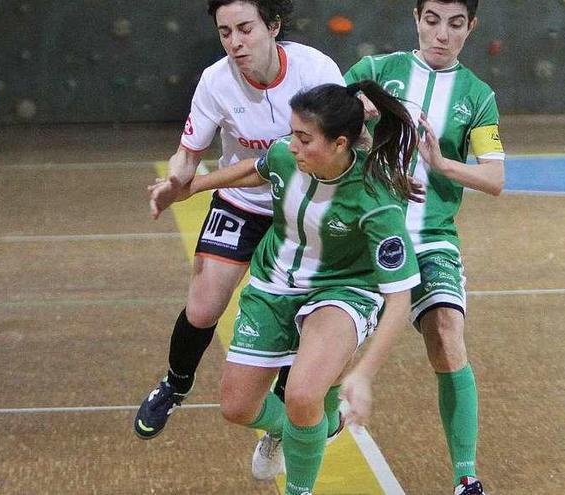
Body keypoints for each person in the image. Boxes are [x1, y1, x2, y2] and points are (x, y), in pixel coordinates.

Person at [152, 81, 420, 495]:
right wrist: (187, 190)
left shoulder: (375, 199)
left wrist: (364, 375)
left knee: (301, 396)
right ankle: (300, 429)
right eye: (292, 133)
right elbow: (255, 168)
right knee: (237, 407)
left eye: (304, 138)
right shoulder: (286, 155)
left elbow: (400, 300)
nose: (291, 145)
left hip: (343, 290)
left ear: (339, 144)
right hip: (273, 282)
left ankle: (301, 480)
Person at [134, 0, 344, 442]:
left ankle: (293, 403)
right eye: (225, 32)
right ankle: (176, 383)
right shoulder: (215, 81)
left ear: (273, 26)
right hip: (241, 201)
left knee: (304, 310)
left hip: (303, 208)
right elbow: (189, 152)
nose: (235, 42)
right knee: (204, 304)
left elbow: (347, 142)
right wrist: (176, 180)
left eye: (245, 29)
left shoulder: (316, 69)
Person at [344, 1, 505, 494]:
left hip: (432, 238)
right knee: (320, 352)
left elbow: (495, 179)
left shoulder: (477, 95)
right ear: (416, 17)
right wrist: (359, 123)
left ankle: (467, 477)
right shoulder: (374, 73)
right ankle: (288, 425)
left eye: (456, 24)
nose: (442, 34)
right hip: (363, 236)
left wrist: (443, 165)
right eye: (432, 20)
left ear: (470, 27)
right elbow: (317, 137)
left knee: (447, 334)